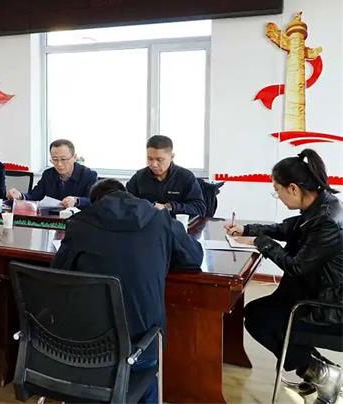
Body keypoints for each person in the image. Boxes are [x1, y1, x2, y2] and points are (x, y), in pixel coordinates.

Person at [52, 179, 204, 403]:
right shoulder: (160, 219)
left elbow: (58, 272)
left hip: (85, 346)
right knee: (144, 379)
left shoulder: (79, 223)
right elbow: (193, 258)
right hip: (141, 345)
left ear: (96, 203)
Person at [225, 149, 342, 403]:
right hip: (311, 291)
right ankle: (318, 370)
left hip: (328, 306)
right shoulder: (321, 205)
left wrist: (262, 243)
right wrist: (247, 229)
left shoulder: (326, 223)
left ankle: (320, 372)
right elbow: (286, 228)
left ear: (293, 188)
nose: (277, 196)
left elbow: (297, 267)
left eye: (277, 190)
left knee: (261, 320)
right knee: (256, 314)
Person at [126, 135, 206, 218]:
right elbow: (125, 203)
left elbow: (199, 209)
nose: (154, 164)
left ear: (172, 157)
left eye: (159, 160)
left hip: (176, 223)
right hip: (147, 223)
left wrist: (169, 207)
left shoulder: (185, 177)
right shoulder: (139, 177)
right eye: (150, 159)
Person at [7, 139, 97, 208]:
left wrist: (76, 201)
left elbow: (94, 200)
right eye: (55, 159)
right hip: (52, 218)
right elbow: (35, 195)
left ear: (74, 157)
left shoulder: (89, 175)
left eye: (63, 159)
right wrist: (20, 196)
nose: (59, 164)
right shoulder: (48, 174)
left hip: (79, 220)